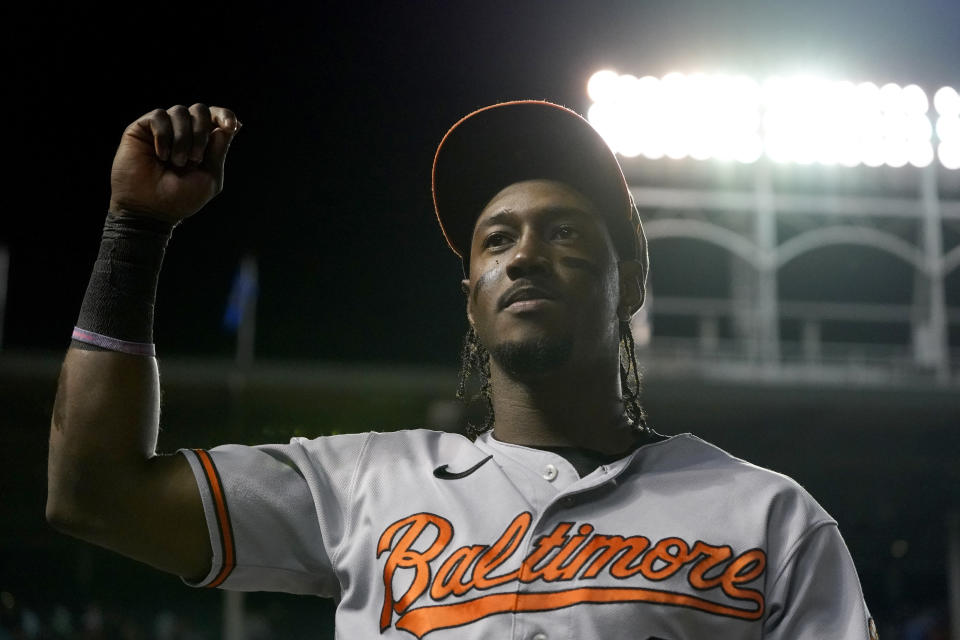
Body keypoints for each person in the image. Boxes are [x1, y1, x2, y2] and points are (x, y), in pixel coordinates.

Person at [47, 100, 876, 639]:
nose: (524, 257)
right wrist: (135, 229)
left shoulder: (769, 517)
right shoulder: (359, 484)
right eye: (496, 239)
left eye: (565, 234)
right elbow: (93, 493)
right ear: (472, 301)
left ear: (631, 285)